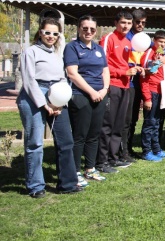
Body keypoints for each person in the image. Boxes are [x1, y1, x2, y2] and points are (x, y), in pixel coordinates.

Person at [18, 18, 81, 198]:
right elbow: (29, 81)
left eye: (55, 33)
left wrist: (58, 101)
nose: (51, 36)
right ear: (40, 32)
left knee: (65, 140)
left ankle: (67, 183)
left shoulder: (57, 53)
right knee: (35, 143)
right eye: (47, 32)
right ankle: (36, 185)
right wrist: (44, 104)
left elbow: (63, 78)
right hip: (34, 97)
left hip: (56, 96)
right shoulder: (30, 52)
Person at [65, 15, 110, 185]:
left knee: (94, 134)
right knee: (80, 135)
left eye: (92, 29)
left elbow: (105, 70)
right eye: (85, 28)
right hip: (81, 95)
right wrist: (91, 92)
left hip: (99, 95)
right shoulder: (72, 47)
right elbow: (72, 73)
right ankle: (75, 171)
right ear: (78, 28)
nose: (89, 32)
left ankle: (90, 169)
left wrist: (104, 89)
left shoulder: (98, 49)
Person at [97, 11, 139, 173]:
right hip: (112, 85)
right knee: (107, 124)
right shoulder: (108, 38)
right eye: (123, 23)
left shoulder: (128, 41)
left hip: (125, 87)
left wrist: (134, 69)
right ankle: (102, 160)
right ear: (116, 23)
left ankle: (114, 158)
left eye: (129, 23)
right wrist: (123, 73)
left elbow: (124, 64)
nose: (126, 26)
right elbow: (103, 64)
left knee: (118, 124)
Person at [139, 30, 165, 162]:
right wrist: (147, 98)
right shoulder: (149, 54)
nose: (163, 44)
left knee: (157, 123)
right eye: (160, 42)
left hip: (161, 92)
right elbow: (144, 76)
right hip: (152, 92)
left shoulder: (161, 54)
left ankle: (156, 149)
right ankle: (146, 151)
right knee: (149, 123)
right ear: (154, 41)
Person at [122, 9, 147, 161]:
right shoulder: (127, 39)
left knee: (133, 119)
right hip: (127, 84)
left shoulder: (144, 39)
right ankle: (122, 150)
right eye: (138, 22)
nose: (140, 25)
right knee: (125, 119)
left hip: (139, 84)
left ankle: (128, 148)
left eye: (143, 23)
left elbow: (154, 51)